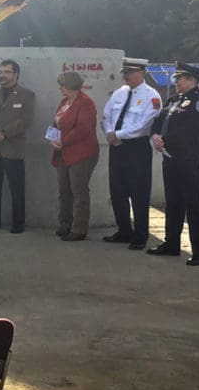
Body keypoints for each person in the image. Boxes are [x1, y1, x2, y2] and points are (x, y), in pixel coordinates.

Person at [148, 62, 199, 266]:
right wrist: (156, 135)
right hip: (173, 158)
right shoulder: (174, 100)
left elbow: (193, 129)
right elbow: (158, 122)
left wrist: (165, 139)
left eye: (180, 78)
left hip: (195, 158)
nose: (175, 82)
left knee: (195, 205)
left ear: (193, 80)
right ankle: (171, 244)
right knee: (174, 202)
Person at [102, 58, 162, 249]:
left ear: (141, 73)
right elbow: (106, 116)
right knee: (117, 191)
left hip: (137, 148)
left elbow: (144, 125)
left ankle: (140, 235)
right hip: (117, 147)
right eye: (124, 72)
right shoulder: (120, 93)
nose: (125, 76)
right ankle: (124, 231)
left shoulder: (151, 96)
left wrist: (117, 134)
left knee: (139, 193)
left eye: (129, 72)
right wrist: (110, 134)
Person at [0, 59, 35, 233]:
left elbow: (25, 121)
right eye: (0, 72)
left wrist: (3, 133)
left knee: (16, 187)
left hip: (13, 149)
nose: (2, 75)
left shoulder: (27, 95)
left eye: (6, 72)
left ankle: (18, 223)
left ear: (15, 74)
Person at [48, 71, 99, 241]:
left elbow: (83, 128)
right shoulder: (64, 102)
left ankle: (79, 228)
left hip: (82, 153)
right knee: (64, 190)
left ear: (72, 86)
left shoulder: (86, 103)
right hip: (63, 152)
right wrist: (52, 138)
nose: (61, 88)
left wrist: (63, 141)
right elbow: (55, 122)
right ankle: (65, 223)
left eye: (63, 85)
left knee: (79, 190)